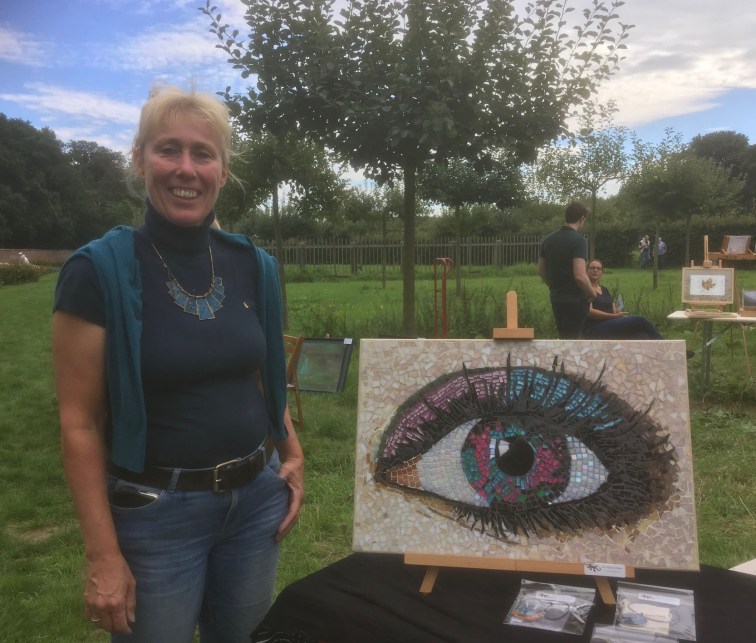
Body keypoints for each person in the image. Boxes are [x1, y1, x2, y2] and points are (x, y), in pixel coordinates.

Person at [52, 85, 304, 643]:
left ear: (222, 171)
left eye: (202, 153)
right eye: (168, 149)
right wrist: (102, 555)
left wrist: (291, 453)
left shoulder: (253, 265)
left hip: (255, 504)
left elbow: (260, 377)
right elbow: (79, 423)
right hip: (155, 517)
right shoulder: (96, 272)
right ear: (139, 160)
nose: (185, 168)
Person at [582, 259, 694, 358]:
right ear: (586, 271)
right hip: (594, 329)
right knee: (639, 320)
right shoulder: (584, 289)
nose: (595, 270)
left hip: (610, 324)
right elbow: (589, 311)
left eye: (598, 268)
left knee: (642, 336)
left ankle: (661, 360)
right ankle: (669, 349)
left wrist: (618, 313)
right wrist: (613, 316)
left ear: (602, 272)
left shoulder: (604, 289)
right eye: (592, 268)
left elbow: (613, 308)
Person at [538, 201, 596, 339]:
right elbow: (580, 276)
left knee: (564, 336)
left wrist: (554, 286)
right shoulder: (579, 240)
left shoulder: (547, 240)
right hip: (576, 299)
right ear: (582, 218)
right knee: (574, 339)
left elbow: (541, 271)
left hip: (556, 297)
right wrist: (592, 293)